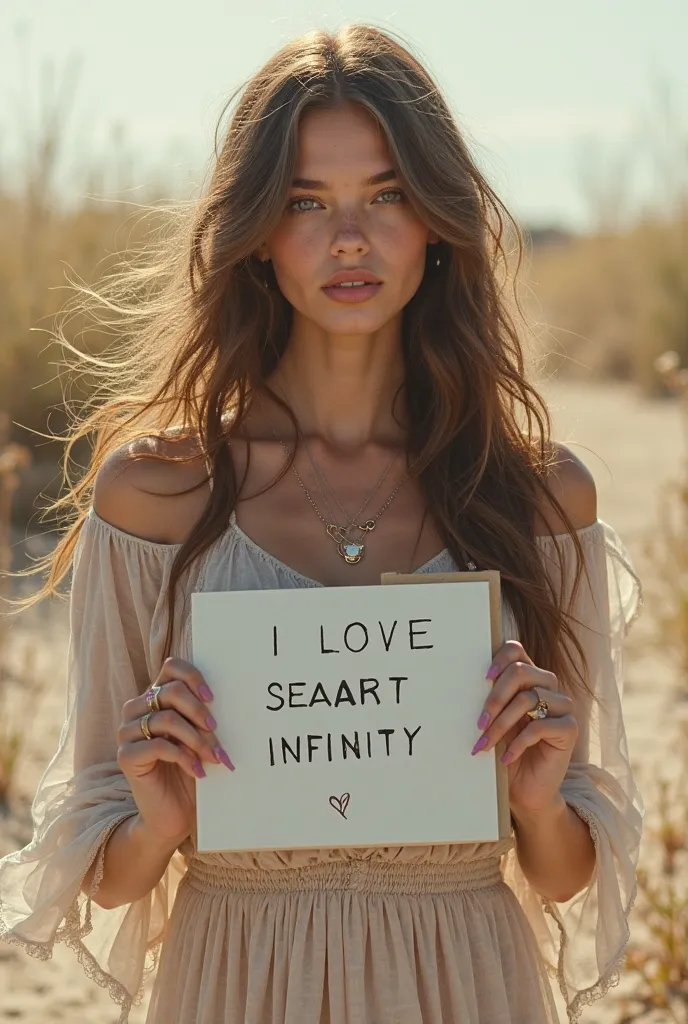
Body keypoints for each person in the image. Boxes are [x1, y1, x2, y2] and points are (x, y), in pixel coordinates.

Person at [0, 23, 643, 1024]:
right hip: (237, 978)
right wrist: (162, 816)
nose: (351, 238)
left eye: (386, 195)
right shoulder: (154, 495)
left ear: (436, 223)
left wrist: (539, 796)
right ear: (257, 232)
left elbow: (562, 874)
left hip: (465, 979)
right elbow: (110, 877)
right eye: (308, 201)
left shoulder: (538, 496)